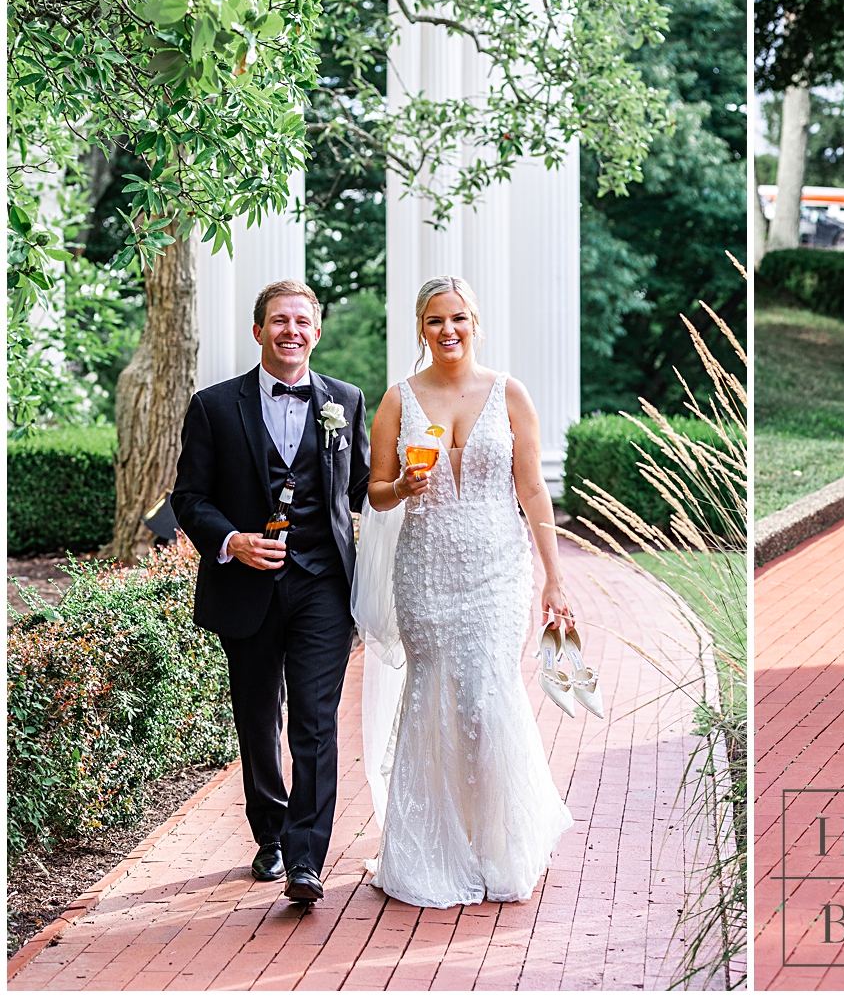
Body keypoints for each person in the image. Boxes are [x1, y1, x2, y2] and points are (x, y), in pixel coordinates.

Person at [352, 276, 576, 908]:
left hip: (498, 569)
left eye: (457, 319)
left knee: (483, 701)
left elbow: (532, 490)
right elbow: (374, 491)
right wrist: (403, 489)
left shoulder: (510, 394)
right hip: (425, 569)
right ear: (420, 330)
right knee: (434, 701)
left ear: (474, 322)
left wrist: (554, 576)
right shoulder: (400, 400)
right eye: (433, 322)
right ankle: (434, 851)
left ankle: (500, 846)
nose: (447, 331)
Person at [172, 280, 370, 903]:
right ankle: (271, 834)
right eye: (279, 320)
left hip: (322, 585)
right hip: (246, 585)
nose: (291, 331)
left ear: (317, 331)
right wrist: (233, 540)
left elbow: (364, 487)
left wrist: (422, 487)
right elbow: (189, 499)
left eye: (302, 321)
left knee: (315, 722)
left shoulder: (348, 401)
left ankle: (307, 858)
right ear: (259, 331)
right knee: (259, 717)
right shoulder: (213, 406)